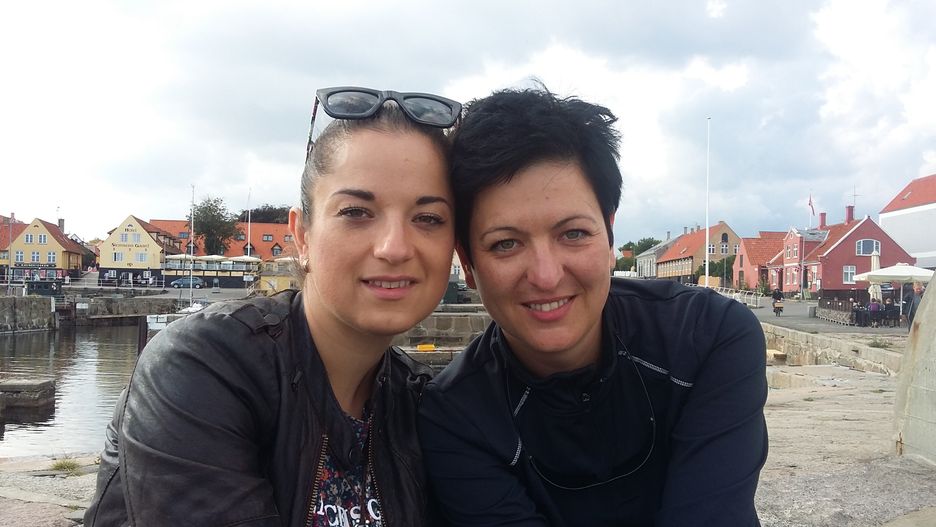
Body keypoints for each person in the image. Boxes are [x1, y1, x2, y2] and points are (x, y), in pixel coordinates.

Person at [84, 86, 462, 526]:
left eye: (428, 218)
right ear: (302, 235)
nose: (394, 247)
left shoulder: (421, 403)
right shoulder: (204, 367)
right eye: (356, 212)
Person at [418, 87, 768, 526]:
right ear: (468, 264)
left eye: (574, 234)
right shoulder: (456, 416)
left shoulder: (707, 337)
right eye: (505, 243)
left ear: (610, 236)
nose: (546, 276)